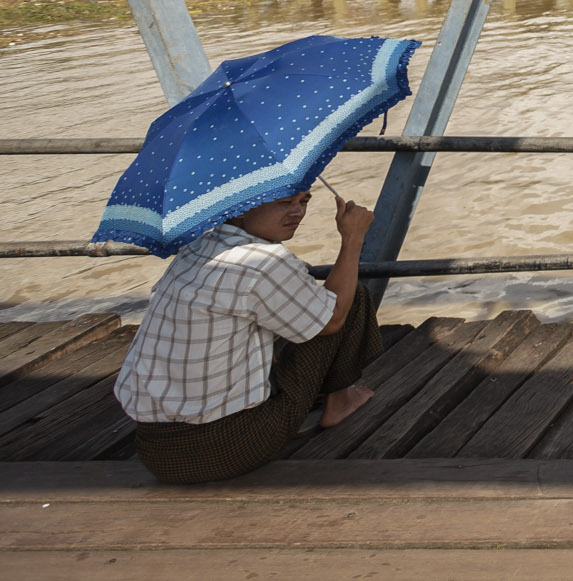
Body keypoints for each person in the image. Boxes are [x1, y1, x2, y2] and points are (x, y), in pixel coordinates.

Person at [115, 189, 382, 484]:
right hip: (225, 448)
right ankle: (339, 402)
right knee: (346, 300)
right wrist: (353, 239)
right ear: (241, 209)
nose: (297, 212)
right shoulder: (263, 260)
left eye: (303, 201)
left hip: (153, 450)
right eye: (284, 203)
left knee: (302, 308)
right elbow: (331, 320)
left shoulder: (199, 246)